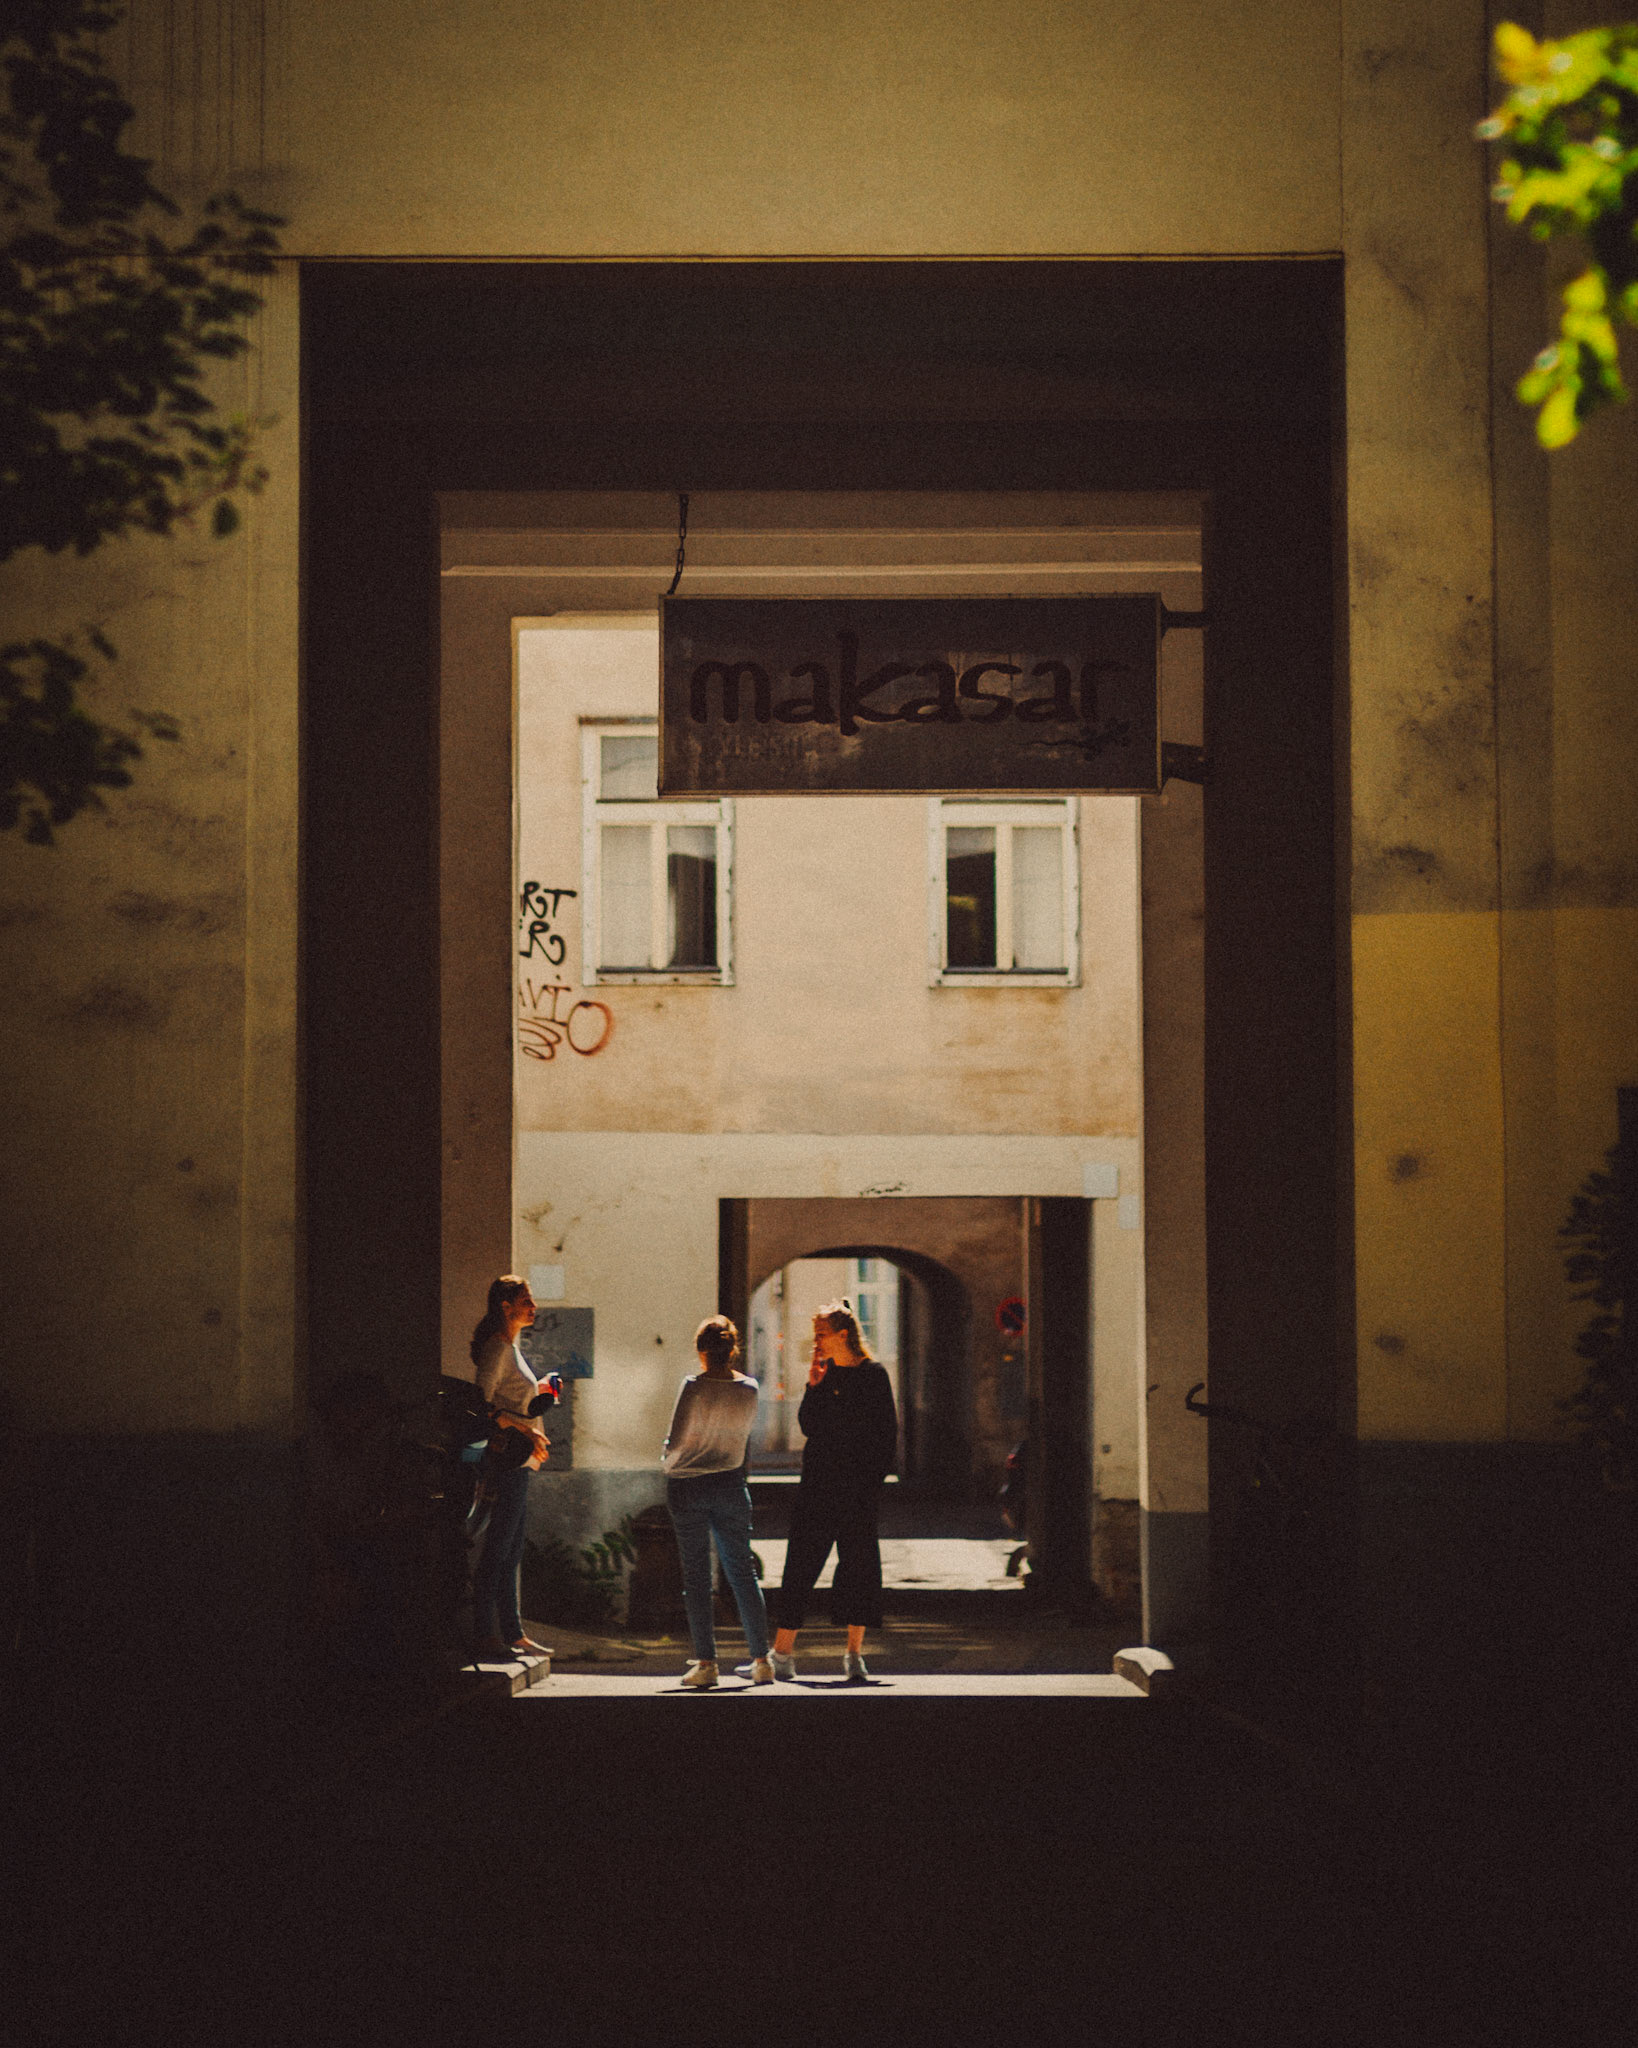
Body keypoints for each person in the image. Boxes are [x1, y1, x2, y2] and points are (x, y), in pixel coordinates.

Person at [770, 1298, 898, 1682]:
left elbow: (886, 1435)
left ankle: (854, 1655)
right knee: (800, 1566)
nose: (817, 1343)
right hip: (819, 1486)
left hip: (857, 1490)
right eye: (816, 1335)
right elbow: (809, 1426)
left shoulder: (874, 1375)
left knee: (857, 1570)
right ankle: (781, 1654)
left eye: (822, 1335)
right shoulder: (825, 1375)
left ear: (844, 1335)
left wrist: (870, 1484)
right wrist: (813, 1387)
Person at [662, 1314, 774, 1689]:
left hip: (688, 1485)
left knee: (696, 1578)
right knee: (742, 1572)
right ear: (733, 1349)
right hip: (730, 1483)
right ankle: (762, 1660)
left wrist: (667, 1461)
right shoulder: (750, 1388)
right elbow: (742, 1439)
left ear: (701, 1351)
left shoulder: (693, 1386)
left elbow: (676, 1440)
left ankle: (707, 1663)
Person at [470, 1275, 557, 1660]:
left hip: (520, 1460)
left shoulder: (510, 1348)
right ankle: (486, 1636)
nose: (533, 1307)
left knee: (511, 1550)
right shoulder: (498, 1349)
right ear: (505, 1307)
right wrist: (526, 1428)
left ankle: (513, 1633)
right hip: (507, 1460)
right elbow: (483, 1406)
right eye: (526, 1300)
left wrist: (541, 1391)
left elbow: (510, 1402)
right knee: (498, 1549)